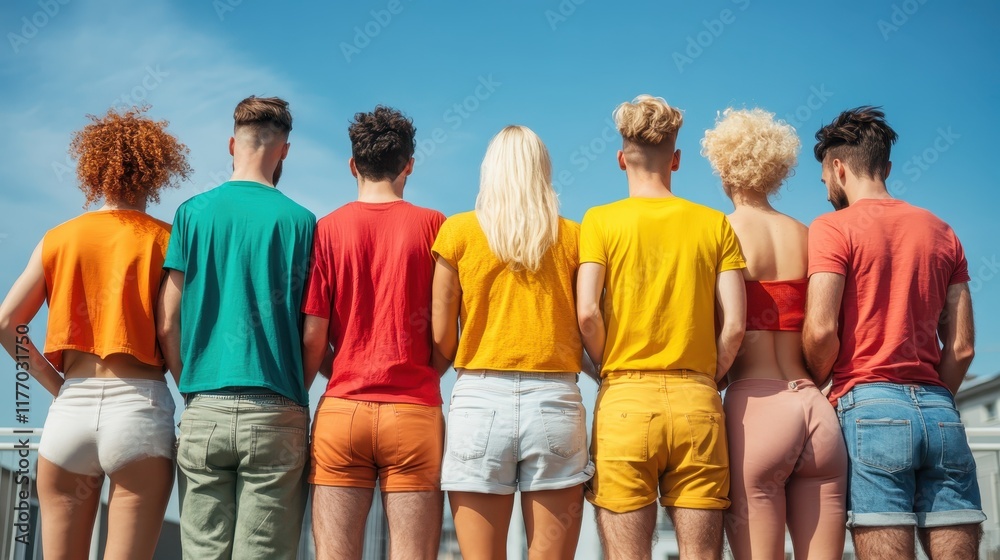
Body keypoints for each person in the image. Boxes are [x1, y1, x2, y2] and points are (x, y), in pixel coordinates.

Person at [0, 107, 189, 559]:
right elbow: (173, 329)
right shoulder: (167, 239)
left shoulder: (59, 237)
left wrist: (56, 385)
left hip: (71, 411)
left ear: (93, 169)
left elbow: (7, 323)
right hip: (141, 410)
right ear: (156, 171)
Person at [803, 106, 984, 560]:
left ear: (838, 169)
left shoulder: (831, 227)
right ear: (886, 167)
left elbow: (822, 328)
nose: (825, 188)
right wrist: (933, 396)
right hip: (941, 411)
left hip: (869, 406)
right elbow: (961, 346)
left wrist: (820, 381)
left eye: (825, 177)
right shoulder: (943, 231)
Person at [577, 95, 747, 560]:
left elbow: (587, 312)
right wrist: (710, 374)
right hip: (698, 401)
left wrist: (606, 363)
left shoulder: (599, 221)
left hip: (625, 401)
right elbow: (734, 325)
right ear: (676, 158)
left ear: (620, 159)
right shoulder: (714, 223)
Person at [157, 96, 315, 560]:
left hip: (204, 404)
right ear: (284, 150)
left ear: (232, 144)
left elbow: (168, 319)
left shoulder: (192, 214)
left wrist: (192, 385)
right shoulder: (303, 223)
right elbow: (312, 332)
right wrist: (290, 388)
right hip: (277, 409)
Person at [431, 125, 595, 559]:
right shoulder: (574, 237)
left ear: (490, 171)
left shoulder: (458, 232)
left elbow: (442, 334)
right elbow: (589, 321)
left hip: (479, 399)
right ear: (543, 171)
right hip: (556, 399)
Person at [301, 105, 446, 560]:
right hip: (415, 411)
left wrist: (335, 368)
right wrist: (426, 372)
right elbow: (447, 333)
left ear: (352, 165)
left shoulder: (326, 229)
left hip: (343, 409)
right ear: (409, 165)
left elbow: (314, 333)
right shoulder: (435, 226)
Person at [701, 108, 847, 559]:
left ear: (723, 168)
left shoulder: (718, 232)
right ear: (777, 170)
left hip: (756, 410)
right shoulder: (808, 234)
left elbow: (715, 330)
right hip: (816, 409)